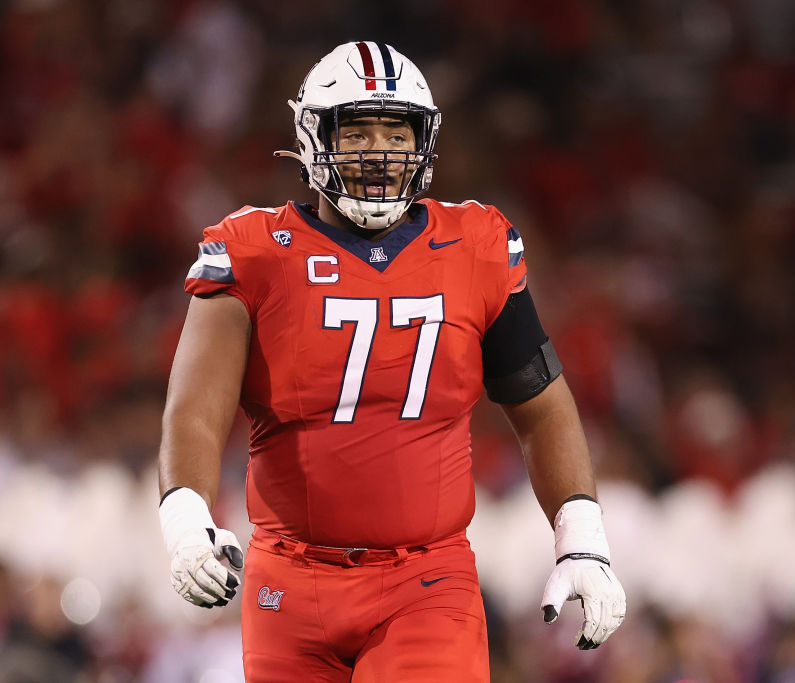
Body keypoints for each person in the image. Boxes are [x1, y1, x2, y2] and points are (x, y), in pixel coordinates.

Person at [156, 41, 626, 682]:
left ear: (423, 144)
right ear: (313, 136)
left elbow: (542, 409)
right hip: (287, 585)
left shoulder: (475, 246)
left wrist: (582, 538)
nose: (379, 151)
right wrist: (185, 518)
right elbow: (195, 412)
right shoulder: (254, 252)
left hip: (424, 581)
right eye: (357, 131)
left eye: (396, 133)